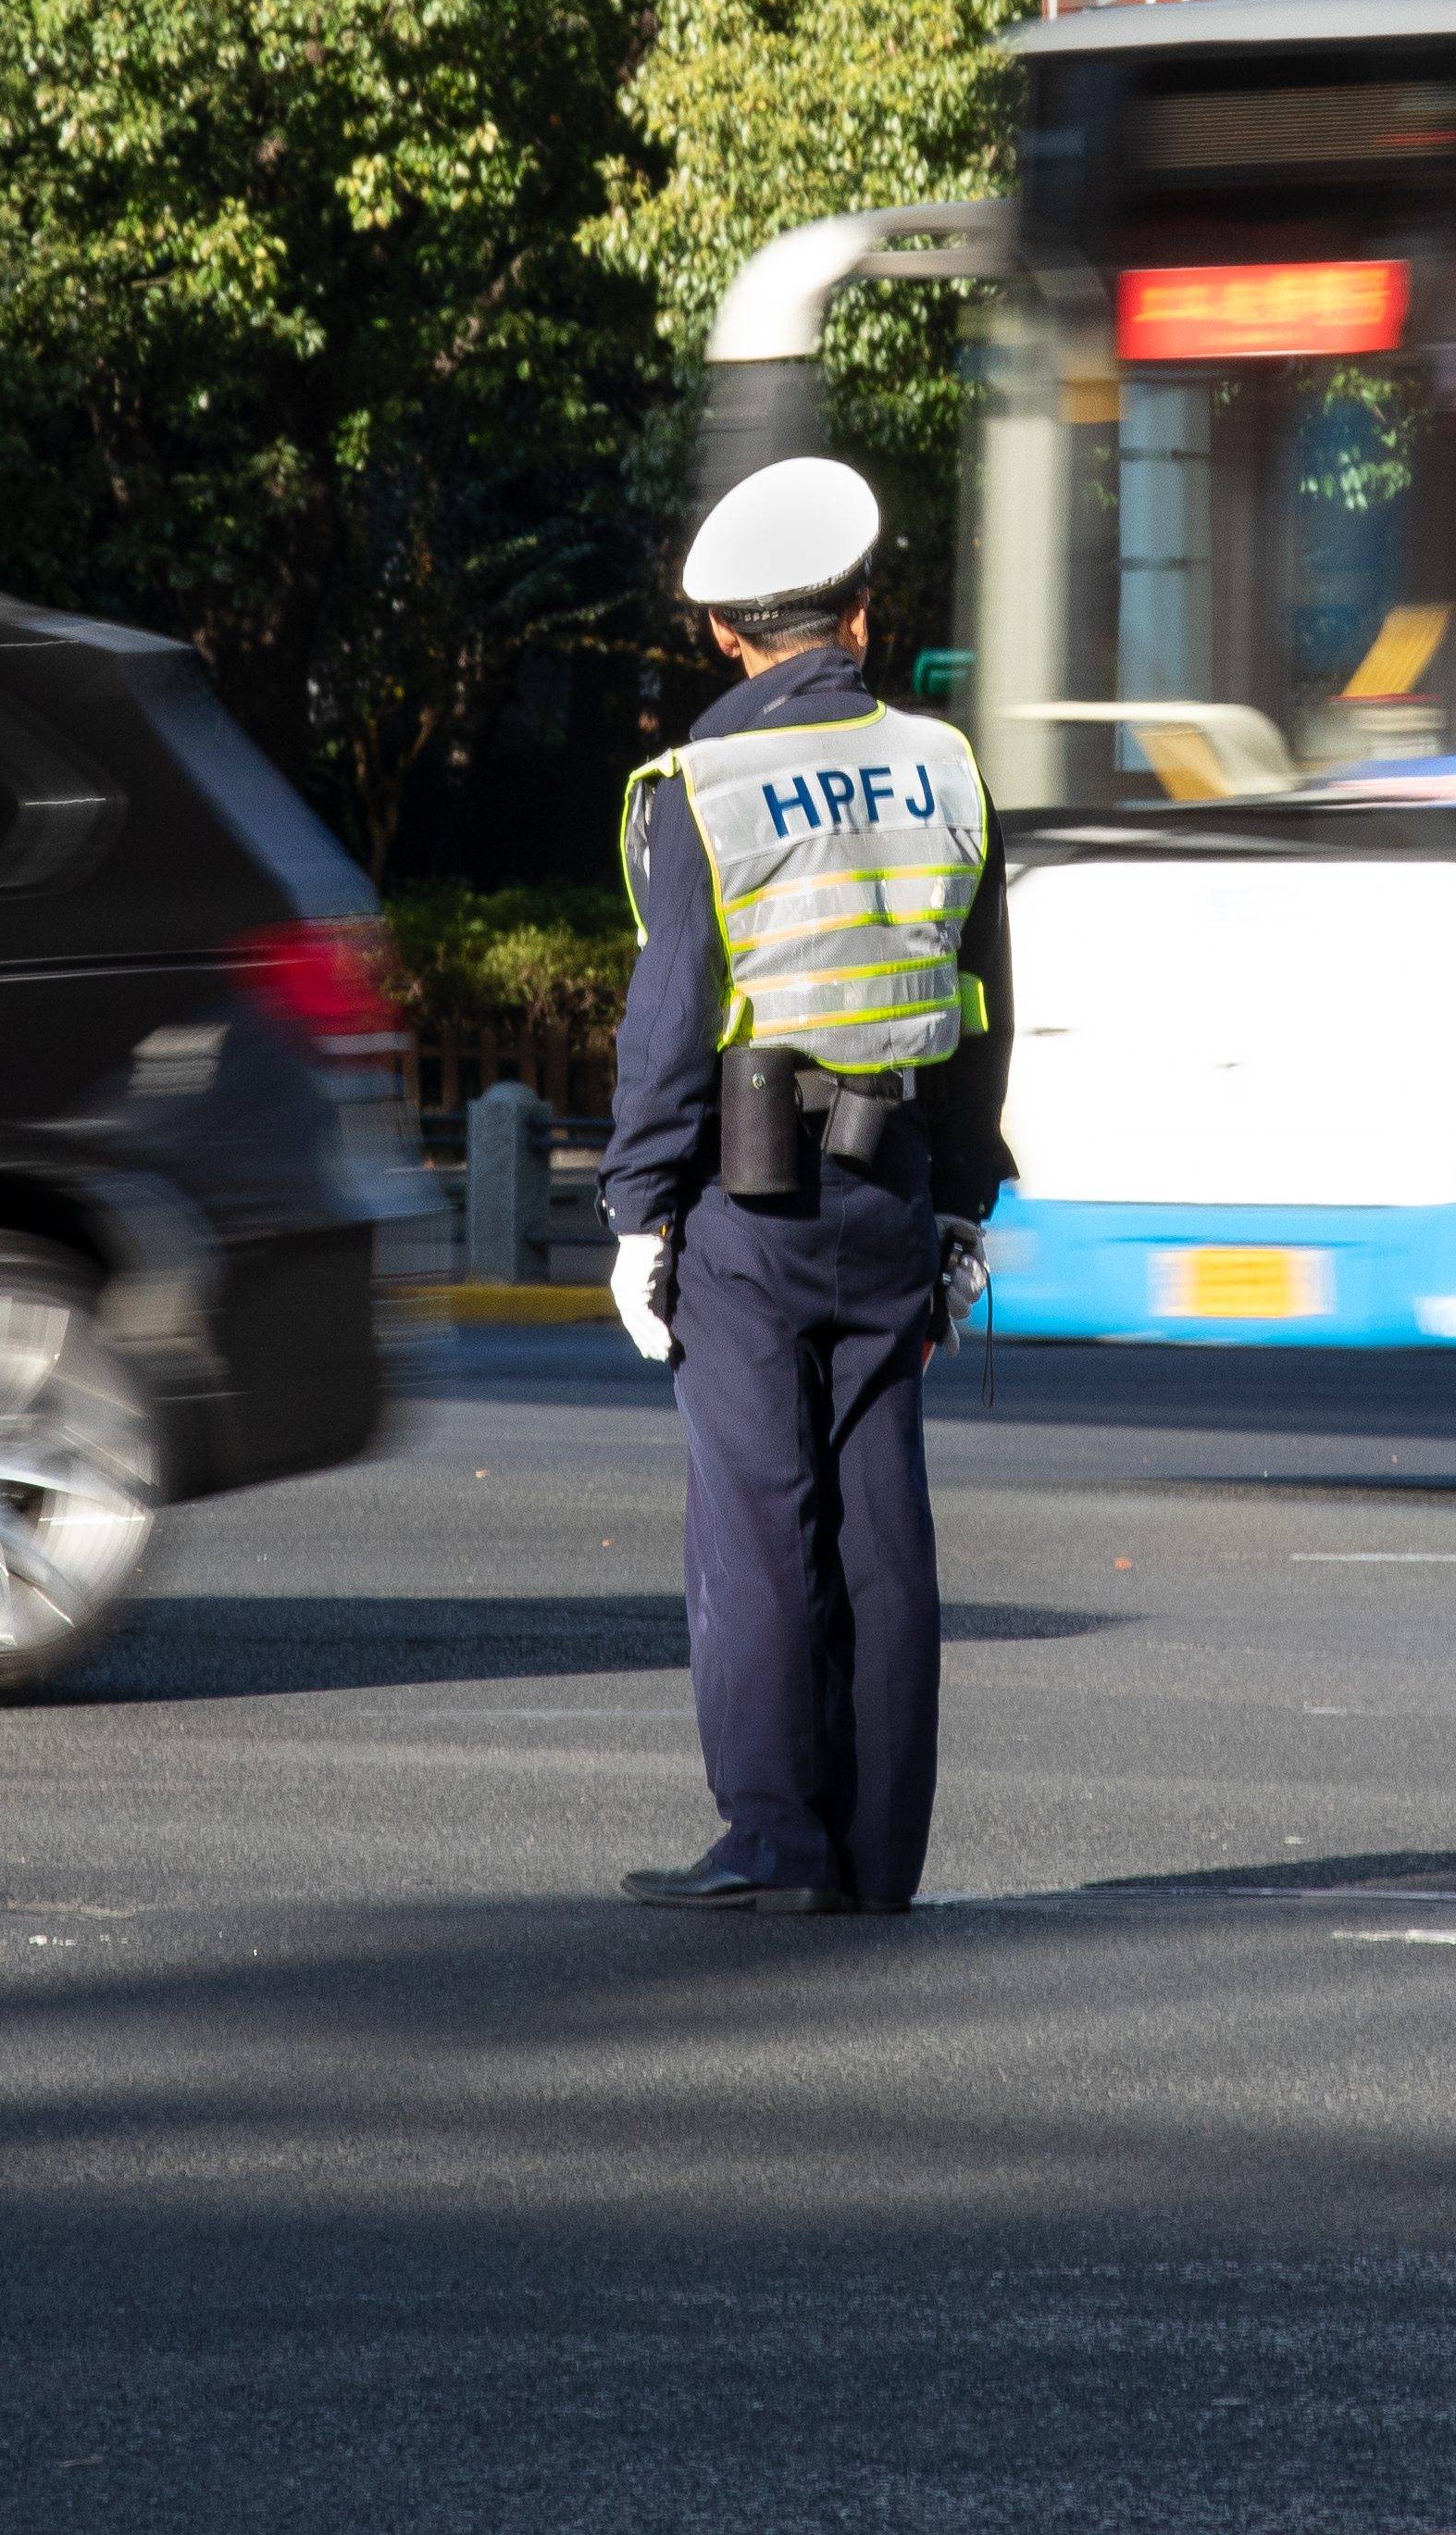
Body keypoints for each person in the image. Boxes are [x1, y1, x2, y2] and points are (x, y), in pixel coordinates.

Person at [595, 454, 1014, 1917]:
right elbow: (980, 1003)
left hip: (747, 1206)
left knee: (758, 1522)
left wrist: (639, 1215)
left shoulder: (700, 789)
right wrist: (965, 1195)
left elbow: (671, 1017)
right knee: (884, 1524)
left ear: (724, 633)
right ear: (862, 613)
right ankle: (878, 1854)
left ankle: (774, 1840)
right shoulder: (946, 765)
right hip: (895, 1185)